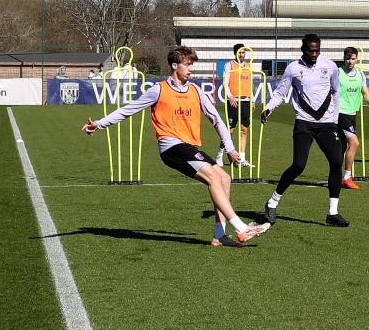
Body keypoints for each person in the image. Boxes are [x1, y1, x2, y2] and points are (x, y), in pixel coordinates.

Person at [82, 46, 269, 247]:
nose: (191, 69)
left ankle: (219, 235)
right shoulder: (158, 90)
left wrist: (231, 149)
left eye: (192, 65)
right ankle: (241, 228)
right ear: (174, 65)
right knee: (214, 177)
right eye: (187, 64)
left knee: (224, 178)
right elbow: (128, 110)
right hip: (171, 147)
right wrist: (99, 124)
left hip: (189, 147)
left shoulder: (196, 90)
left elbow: (216, 119)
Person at [260, 33, 348, 227]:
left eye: (317, 50)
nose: (314, 53)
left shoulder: (330, 66)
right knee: (299, 165)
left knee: (336, 161)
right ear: (303, 49)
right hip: (304, 123)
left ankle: (332, 213)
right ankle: (272, 202)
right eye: (311, 50)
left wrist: (333, 118)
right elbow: (280, 93)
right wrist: (268, 107)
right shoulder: (293, 69)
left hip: (327, 124)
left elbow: (335, 91)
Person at [338, 47, 369, 189]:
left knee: (342, 147)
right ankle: (347, 178)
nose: (350, 61)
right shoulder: (338, 73)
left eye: (353, 58)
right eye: (348, 58)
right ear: (344, 58)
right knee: (354, 143)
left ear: (356, 59)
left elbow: (365, 92)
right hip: (339, 113)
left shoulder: (360, 75)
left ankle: (337, 176)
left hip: (352, 113)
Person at [216, 43, 258, 166]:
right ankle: (220, 154)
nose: (241, 54)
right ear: (235, 53)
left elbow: (250, 84)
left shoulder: (249, 66)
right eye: (239, 52)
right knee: (230, 130)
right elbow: (225, 82)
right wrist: (230, 97)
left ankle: (242, 159)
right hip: (234, 101)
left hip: (246, 101)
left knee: (245, 129)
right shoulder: (229, 65)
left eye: (243, 52)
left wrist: (253, 99)